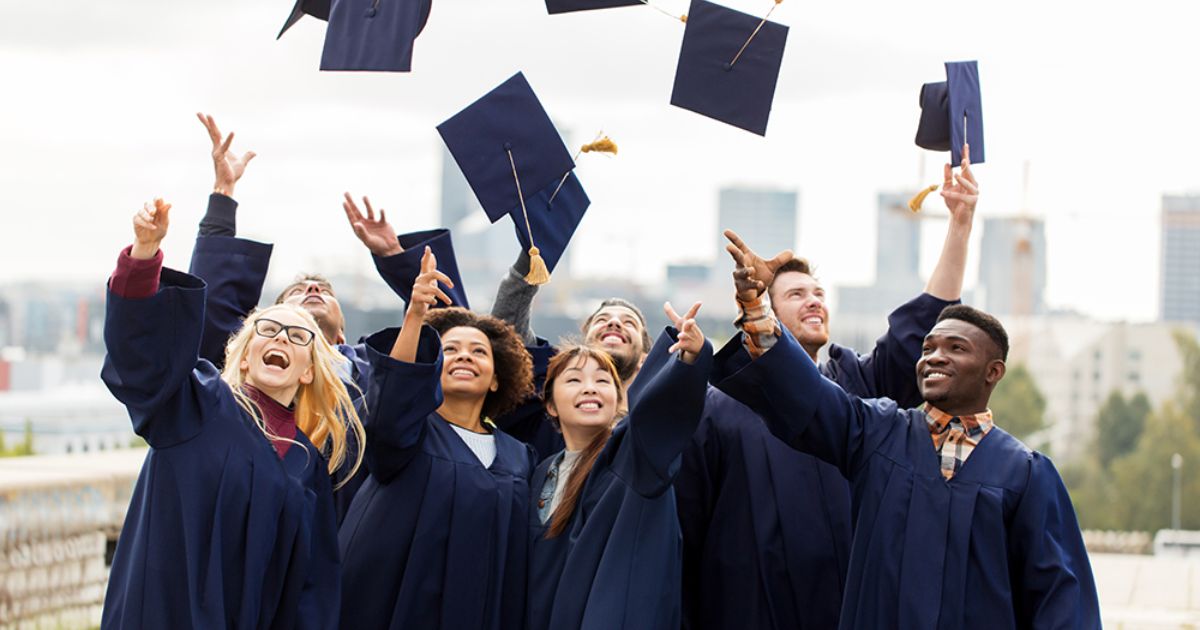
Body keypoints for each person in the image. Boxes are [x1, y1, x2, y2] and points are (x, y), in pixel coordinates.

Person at [676, 147, 980, 630]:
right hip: (749, 609)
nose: (814, 301)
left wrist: (960, 224)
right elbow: (687, 526)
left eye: (819, 293)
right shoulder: (721, 406)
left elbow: (924, 324)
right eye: (796, 295)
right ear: (766, 312)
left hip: (850, 606)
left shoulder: (858, 385)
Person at [714, 254, 1101, 627]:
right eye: (928, 347)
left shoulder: (1025, 474)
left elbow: (1059, 596)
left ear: (993, 371)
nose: (933, 357)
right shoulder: (877, 434)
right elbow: (811, 396)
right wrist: (757, 311)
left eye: (956, 348)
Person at [101, 197, 363, 629]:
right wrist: (144, 254)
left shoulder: (306, 463)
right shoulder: (195, 404)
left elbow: (310, 588)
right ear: (244, 357)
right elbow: (139, 360)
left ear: (308, 371)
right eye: (268, 328)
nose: (281, 337)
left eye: (298, 336)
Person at [187, 112, 459, 520]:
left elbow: (447, 339)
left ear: (343, 331)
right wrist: (223, 195)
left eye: (324, 291)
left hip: (352, 528)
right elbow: (211, 310)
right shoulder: (252, 365)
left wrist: (394, 256)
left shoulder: (370, 367)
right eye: (296, 293)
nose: (313, 290)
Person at [337, 248, 536, 630]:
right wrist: (415, 315)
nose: (465, 357)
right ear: (432, 368)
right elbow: (395, 390)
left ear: (496, 377)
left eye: (479, 351)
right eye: (450, 350)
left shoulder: (519, 458)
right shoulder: (407, 431)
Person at [527, 302, 712, 630]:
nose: (589, 387)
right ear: (551, 404)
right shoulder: (540, 472)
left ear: (618, 398)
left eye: (602, 380)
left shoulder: (634, 456)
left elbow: (659, 416)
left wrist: (689, 359)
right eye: (573, 379)